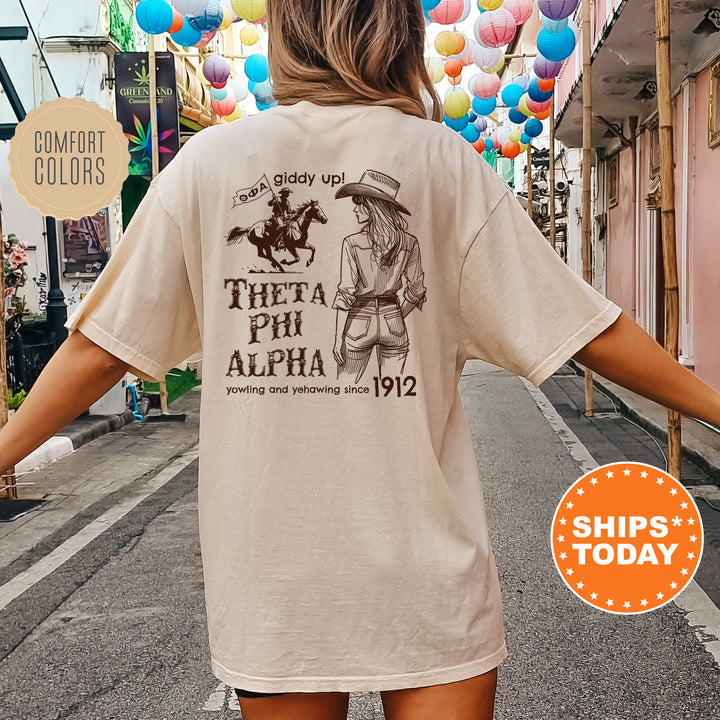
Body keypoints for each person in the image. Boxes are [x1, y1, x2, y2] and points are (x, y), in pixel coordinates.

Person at [1, 1, 719, 719]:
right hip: (426, 574)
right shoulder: (442, 163)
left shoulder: (207, 165)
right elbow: (586, 330)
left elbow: (99, 351)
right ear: (397, 31)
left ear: (287, 30)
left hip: (273, 579)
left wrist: (5, 448)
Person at [332, 170, 426, 382]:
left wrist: (338, 338)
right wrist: (395, 315)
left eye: (359, 202)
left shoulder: (352, 243)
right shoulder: (409, 243)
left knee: (346, 391)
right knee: (394, 393)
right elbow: (417, 290)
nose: (355, 209)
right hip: (394, 322)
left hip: (358, 321)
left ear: (373, 207)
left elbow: (346, 293)